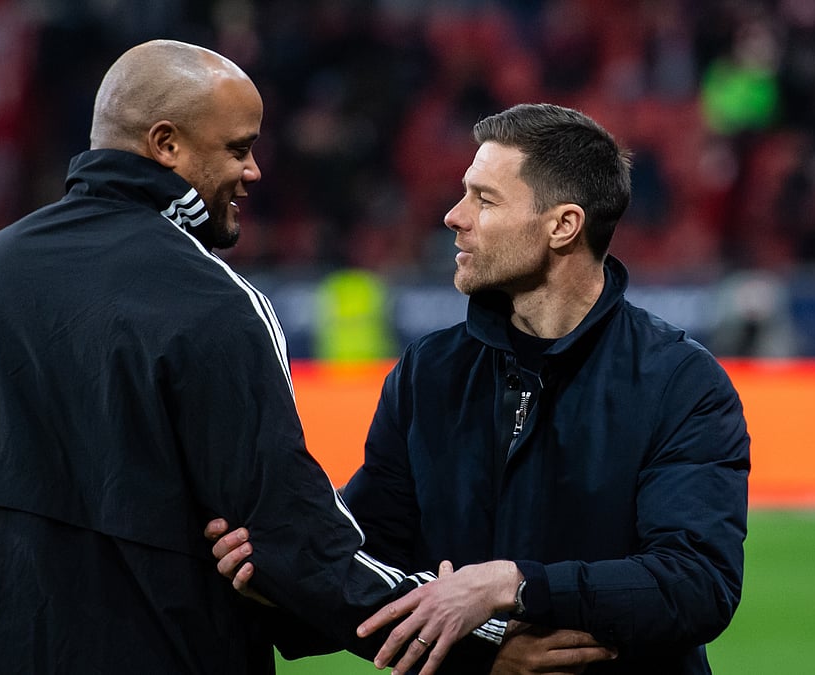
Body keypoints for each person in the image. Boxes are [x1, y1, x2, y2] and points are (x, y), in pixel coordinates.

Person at [0, 39, 509, 674]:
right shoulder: (205, 297)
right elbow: (295, 546)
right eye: (238, 148)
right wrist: (485, 643)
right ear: (166, 145)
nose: (253, 171)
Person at [210, 103, 751, 674]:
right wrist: (282, 575)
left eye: (484, 200)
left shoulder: (680, 382)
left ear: (563, 226)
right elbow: (369, 555)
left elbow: (696, 584)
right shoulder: (430, 372)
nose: (453, 216)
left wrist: (513, 584)